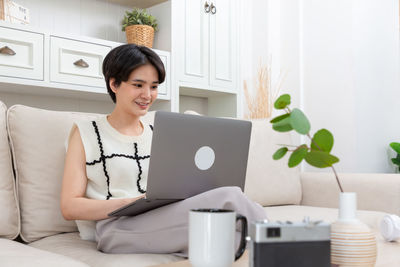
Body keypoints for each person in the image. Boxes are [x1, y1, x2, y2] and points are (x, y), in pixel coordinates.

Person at [61, 44, 267, 255]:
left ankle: (280, 244)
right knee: (229, 197)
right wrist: (130, 203)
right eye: (138, 85)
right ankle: (281, 238)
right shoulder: (86, 133)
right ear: (114, 84)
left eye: (154, 86)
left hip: (161, 216)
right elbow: (69, 206)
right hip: (115, 227)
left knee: (231, 236)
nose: (147, 95)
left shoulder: (159, 132)